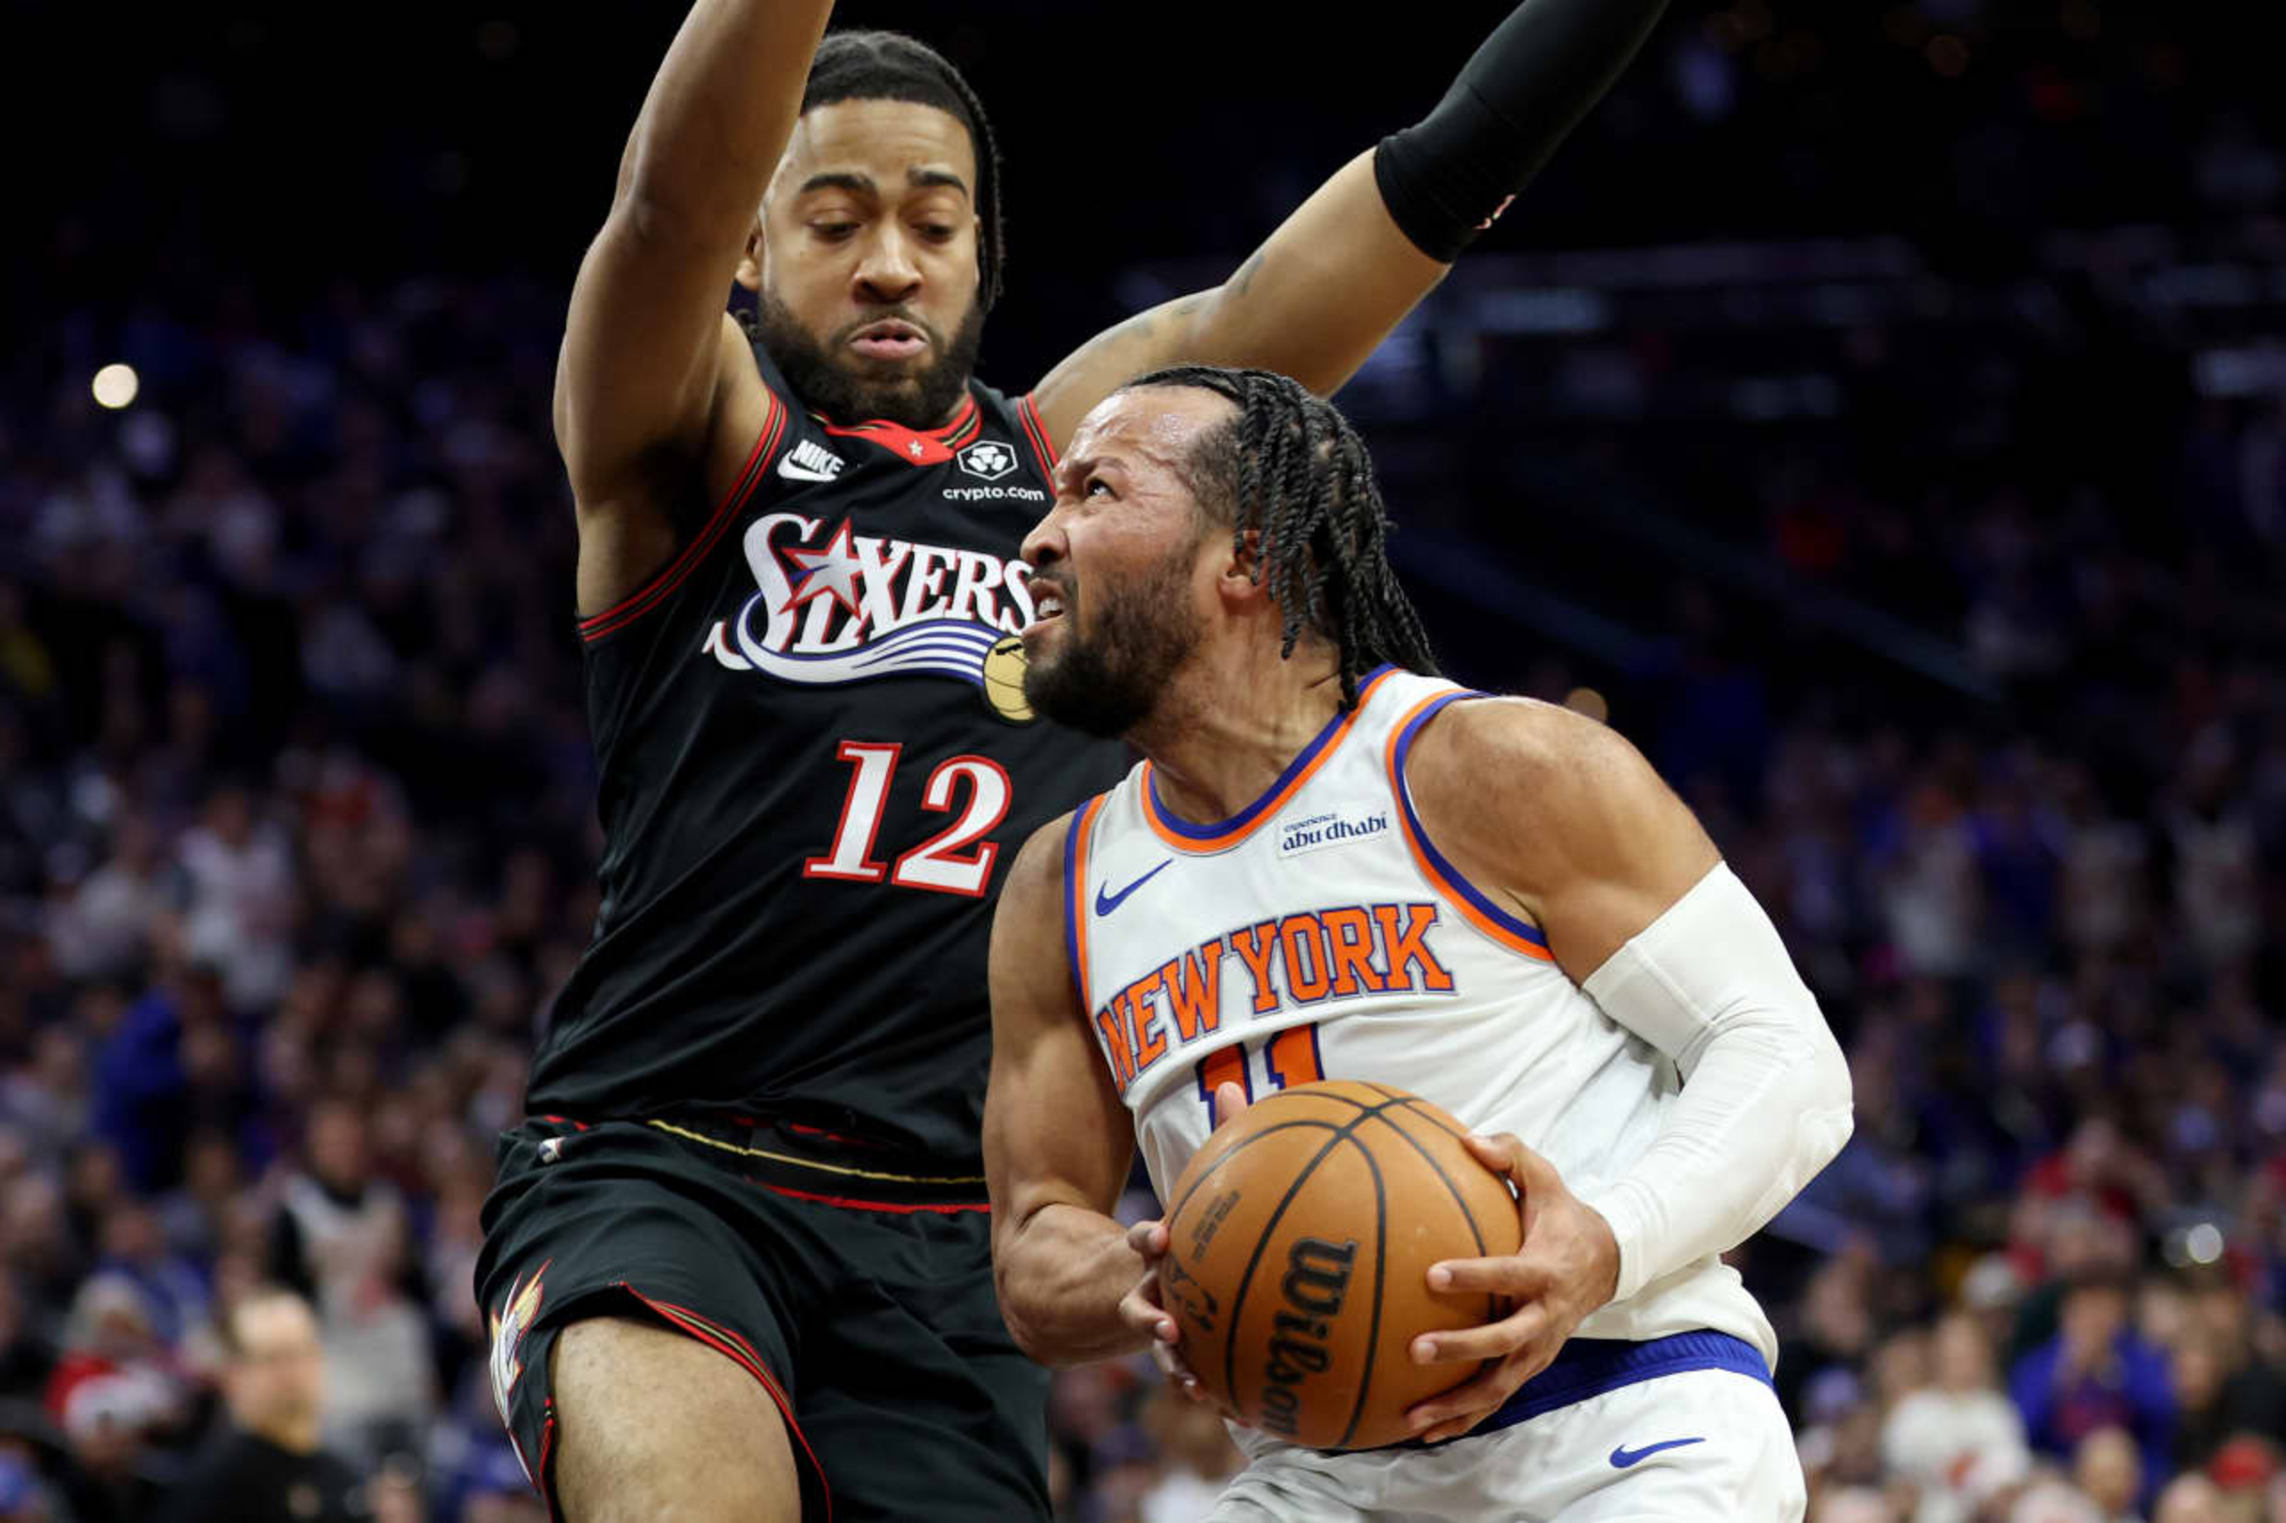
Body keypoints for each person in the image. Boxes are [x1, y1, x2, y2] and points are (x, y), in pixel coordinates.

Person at [476, 0, 1680, 1516]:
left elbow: (1425, 186)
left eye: (934, 221)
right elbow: (664, 203)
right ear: (752, 250)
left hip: (950, 1237)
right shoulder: (690, 440)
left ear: (982, 253)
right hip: (663, 1159)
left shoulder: (1077, 471)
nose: (891, 261)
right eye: (834, 220)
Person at [984, 367, 1853, 1519]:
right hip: (1315, 1467)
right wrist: (1163, 1268)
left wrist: (1606, 1237)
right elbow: (1034, 1247)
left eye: (1096, 491)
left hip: (1618, 1415)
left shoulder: (1485, 765)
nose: (1038, 538)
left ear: (1248, 556)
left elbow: (1787, 1056)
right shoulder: (1059, 884)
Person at [160, 1286, 368, 1523]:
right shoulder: (219, 1482)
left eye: (301, 1353)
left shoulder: (343, 1473)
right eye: (272, 1358)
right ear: (234, 1374)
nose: (290, 1373)